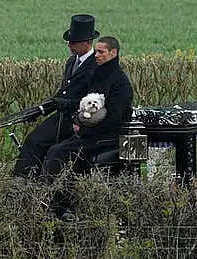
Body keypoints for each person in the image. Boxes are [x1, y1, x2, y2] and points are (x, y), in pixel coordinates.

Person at [42, 35, 134, 221]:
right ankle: (61, 202)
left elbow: (114, 118)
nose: (97, 55)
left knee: (58, 152)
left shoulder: (120, 82)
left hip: (107, 136)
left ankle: (54, 202)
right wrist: (77, 120)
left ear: (113, 53)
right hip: (89, 132)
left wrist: (85, 131)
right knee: (54, 147)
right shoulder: (97, 75)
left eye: (101, 52)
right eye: (96, 51)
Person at [11, 14, 99, 179]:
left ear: (87, 42)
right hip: (62, 116)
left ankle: (28, 183)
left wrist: (65, 104)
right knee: (33, 141)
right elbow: (62, 92)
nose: (69, 45)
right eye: (69, 41)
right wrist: (40, 110)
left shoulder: (95, 66)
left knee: (40, 144)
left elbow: (92, 101)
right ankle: (24, 182)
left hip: (77, 119)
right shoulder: (71, 62)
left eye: (74, 42)